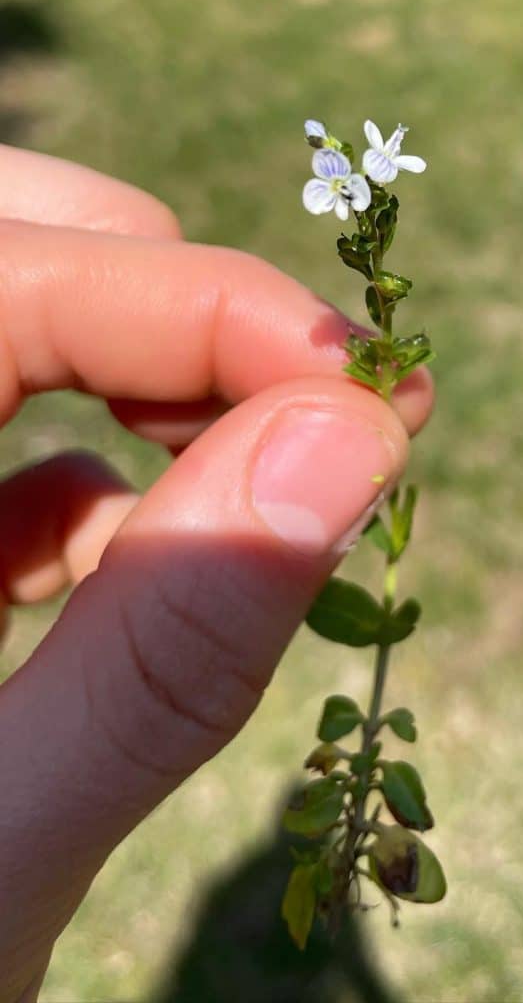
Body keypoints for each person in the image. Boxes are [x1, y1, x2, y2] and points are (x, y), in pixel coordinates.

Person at [0, 145, 434, 1002]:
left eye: (354, 177)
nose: (346, 182)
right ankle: (340, 857)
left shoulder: (373, 236)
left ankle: (347, 852)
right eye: (343, 178)